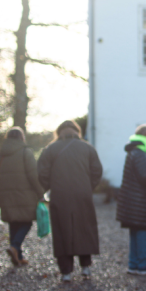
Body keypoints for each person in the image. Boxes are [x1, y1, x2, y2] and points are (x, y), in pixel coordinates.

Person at [38, 120, 103, 282]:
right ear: (77, 131)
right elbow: (97, 171)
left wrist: (50, 187)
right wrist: (88, 187)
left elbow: (42, 173)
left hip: (60, 194)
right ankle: (86, 267)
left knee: (62, 230)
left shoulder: (50, 149)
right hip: (83, 194)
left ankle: (66, 271)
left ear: (59, 132)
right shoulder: (87, 147)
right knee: (84, 228)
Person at [0, 127, 44, 267]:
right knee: (27, 222)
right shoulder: (26, 152)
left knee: (13, 222)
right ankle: (15, 247)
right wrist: (41, 193)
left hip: (5, 195)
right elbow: (34, 175)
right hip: (24, 194)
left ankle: (18, 256)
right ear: (22, 138)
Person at [116, 124, 146, 276]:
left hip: (135, 203)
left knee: (136, 233)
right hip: (142, 204)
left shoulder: (135, 152)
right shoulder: (141, 153)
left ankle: (134, 264)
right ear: (145, 136)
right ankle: (143, 265)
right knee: (144, 233)